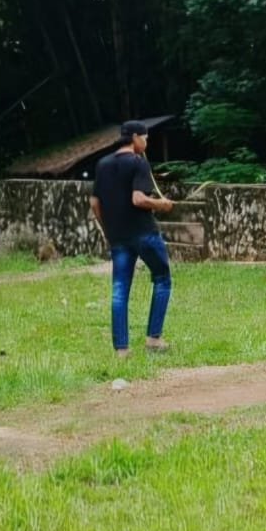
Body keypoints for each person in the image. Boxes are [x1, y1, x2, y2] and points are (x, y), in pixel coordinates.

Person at [90, 120, 176, 358]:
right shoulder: (138, 163)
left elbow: (94, 202)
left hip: (118, 237)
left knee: (119, 290)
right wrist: (162, 204)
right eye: (145, 138)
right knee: (162, 278)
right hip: (144, 233)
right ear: (136, 137)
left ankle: (122, 349)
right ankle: (153, 339)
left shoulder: (103, 164)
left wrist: (108, 230)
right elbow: (138, 199)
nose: (146, 143)